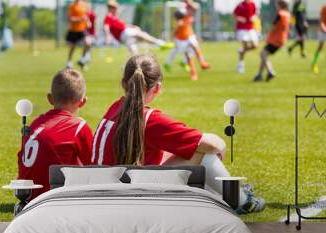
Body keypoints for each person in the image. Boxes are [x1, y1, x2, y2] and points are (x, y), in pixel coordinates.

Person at [92, 54, 265, 214]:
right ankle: (243, 201)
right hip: (132, 202)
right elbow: (213, 144)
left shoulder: (115, 107)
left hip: (105, 196)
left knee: (186, 151)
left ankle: (229, 196)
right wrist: (221, 146)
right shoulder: (150, 119)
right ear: (157, 88)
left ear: (124, 83)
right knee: (204, 154)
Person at [18, 69, 93, 201]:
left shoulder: (36, 123)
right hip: (52, 198)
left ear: (50, 99)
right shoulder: (78, 126)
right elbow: (94, 168)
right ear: (83, 102)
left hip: (26, 196)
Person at [104, 0, 173, 55]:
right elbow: (106, 26)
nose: (117, 10)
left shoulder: (114, 17)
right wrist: (107, 35)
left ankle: (136, 67)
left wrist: (133, 26)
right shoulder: (109, 16)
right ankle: (161, 43)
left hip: (123, 36)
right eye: (116, 8)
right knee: (142, 35)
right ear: (111, 8)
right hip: (124, 33)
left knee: (134, 52)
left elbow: (123, 25)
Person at [164, 0, 210, 81]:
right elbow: (177, 16)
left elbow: (196, 7)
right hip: (181, 37)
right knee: (188, 55)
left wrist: (189, 3)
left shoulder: (190, 5)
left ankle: (202, 63)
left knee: (196, 47)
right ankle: (193, 73)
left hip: (189, 33)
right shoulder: (180, 6)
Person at [254, 0, 290, 82]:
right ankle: (259, 75)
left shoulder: (280, 13)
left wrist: (268, 34)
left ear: (280, 5)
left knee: (262, 54)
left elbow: (274, 25)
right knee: (264, 56)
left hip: (275, 39)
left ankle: (270, 71)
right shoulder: (287, 14)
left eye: (277, 4)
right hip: (281, 39)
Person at [234, 0, 259, 74]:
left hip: (250, 28)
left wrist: (254, 17)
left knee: (255, 46)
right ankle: (241, 66)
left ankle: (241, 50)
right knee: (245, 46)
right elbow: (235, 15)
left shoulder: (253, 4)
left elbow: (256, 14)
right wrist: (241, 19)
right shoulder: (240, 5)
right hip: (242, 29)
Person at [66, 0, 91, 70]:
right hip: (73, 30)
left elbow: (85, 15)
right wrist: (80, 19)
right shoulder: (72, 6)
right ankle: (69, 63)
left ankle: (81, 60)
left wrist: (88, 21)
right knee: (72, 48)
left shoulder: (83, 5)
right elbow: (70, 19)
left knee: (88, 43)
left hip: (82, 29)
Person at [311, 5, 326, 74]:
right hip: (323, 30)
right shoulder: (324, 8)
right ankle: (314, 63)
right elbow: (321, 20)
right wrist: (323, 28)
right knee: (320, 47)